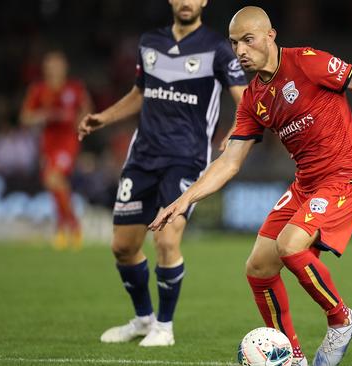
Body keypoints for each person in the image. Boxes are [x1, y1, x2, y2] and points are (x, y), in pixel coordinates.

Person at [149, 6, 352, 365]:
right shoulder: (252, 99)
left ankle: (341, 320)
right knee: (258, 268)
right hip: (306, 184)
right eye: (234, 43)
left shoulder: (307, 62)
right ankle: (291, 357)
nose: (241, 50)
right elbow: (229, 162)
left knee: (290, 245)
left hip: (345, 177)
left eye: (248, 40)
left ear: (270, 35)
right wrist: (184, 199)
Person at [78, 0, 247, 347]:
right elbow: (140, 93)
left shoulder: (217, 48)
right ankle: (143, 320)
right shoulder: (149, 42)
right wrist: (103, 118)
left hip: (186, 159)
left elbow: (244, 98)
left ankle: (165, 328)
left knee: (167, 239)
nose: (186, 2)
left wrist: (235, 131)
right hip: (142, 157)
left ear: (203, 2)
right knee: (123, 248)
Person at [20, 50, 92, 250]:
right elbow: (25, 117)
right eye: (50, 65)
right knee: (53, 183)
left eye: (57, 65)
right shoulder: (38, 90)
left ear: (64, 67)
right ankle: (64, 226)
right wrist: (46, 115)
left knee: (53, 178)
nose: (54, 68)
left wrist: (80, 122)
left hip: (68, 141)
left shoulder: (75, 87)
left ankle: (72, 225)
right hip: (48, 142)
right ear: (45, 68)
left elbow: (86, 109)